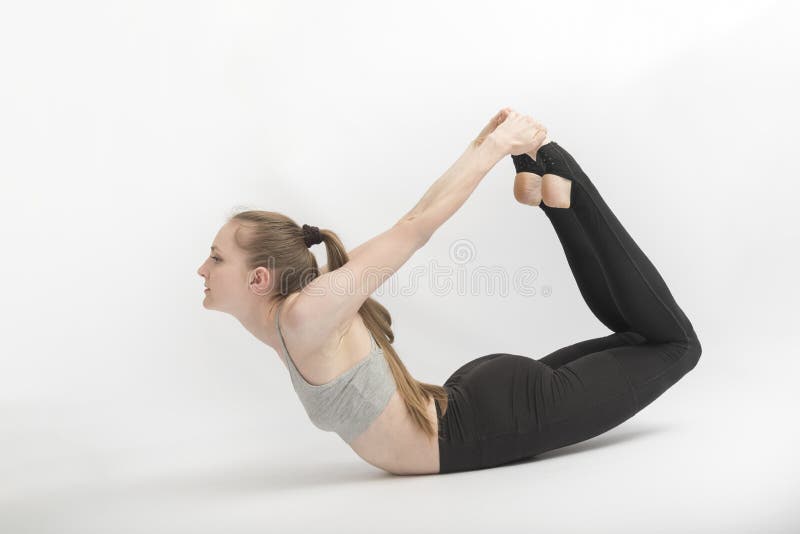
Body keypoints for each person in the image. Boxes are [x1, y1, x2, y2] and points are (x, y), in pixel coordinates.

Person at [196, 109, 702, 475]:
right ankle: (554, 194)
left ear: (259, 279)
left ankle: (557, 173)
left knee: (677, 345)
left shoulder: (306, 316)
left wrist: (495, 147)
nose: (203, 268)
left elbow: (416, 225)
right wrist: (484, 147)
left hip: (485, 421)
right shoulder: (283, 323)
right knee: (644, 338)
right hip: (470, 406)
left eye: (217, 258)